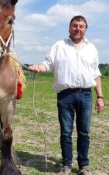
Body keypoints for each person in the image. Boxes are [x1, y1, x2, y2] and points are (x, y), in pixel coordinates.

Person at [29, 15, 104, 175]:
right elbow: (47, 64)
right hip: (65, 96)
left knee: (84, 132)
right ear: (69, 28)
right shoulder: (59, 46)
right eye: (75, 25)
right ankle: (66, 166)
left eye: (81, 26)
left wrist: (100, 97)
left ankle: (84, 166)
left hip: (85, 95)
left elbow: (96, 74)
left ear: (85, 29)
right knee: (66, 132)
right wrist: (38, 67)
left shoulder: (92, 48)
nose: (78, 28)